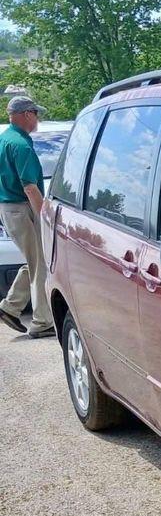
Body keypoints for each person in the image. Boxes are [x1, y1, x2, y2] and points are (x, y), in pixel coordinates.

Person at [0, 95, 54, 338]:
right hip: (21, 208)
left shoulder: (5, 140)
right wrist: (45, 216)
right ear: (28, 114)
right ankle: (43, 322)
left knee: (35, 260)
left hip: (10, 209)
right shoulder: (21, 145)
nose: (38, 119)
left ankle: (10, 307)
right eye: (36, 114)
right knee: (41, 262)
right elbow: (30, 187)